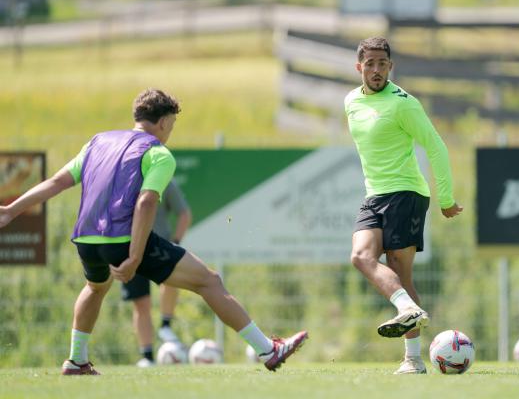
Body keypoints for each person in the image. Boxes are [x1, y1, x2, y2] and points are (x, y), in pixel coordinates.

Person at [0, 88, 307, 375]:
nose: (170, 133)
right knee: (209, 281)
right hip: (124, 240)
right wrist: (134, 256)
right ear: (162, 122)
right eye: (171, 125)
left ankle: (76, 359)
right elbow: (146, 202)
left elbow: (56, 182)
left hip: (87, 239)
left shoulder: (97, 142)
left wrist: (12, 210)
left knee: (95, 288)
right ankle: (268, 351)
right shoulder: (157, 153)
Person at [345, 37, 462, 375]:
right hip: (374, 196)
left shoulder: (404, 104)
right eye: (370, 64)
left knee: (401, 272)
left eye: (383, 64)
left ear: (391, 67)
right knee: (360, 257)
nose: (377, 70)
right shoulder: (350, 101)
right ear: (359, 67)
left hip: (407, 193)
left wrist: (446, 199)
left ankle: (413, 359)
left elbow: (435, 146)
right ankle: (407, 308)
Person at [121, 179, 192, 367]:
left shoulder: (165, 181)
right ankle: (148, 356)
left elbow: (184, 214)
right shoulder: (125, 179)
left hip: (159, 246)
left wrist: (175, 242)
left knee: (171, 281)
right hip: (129, 248)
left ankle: (165, 325)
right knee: (140, 303)